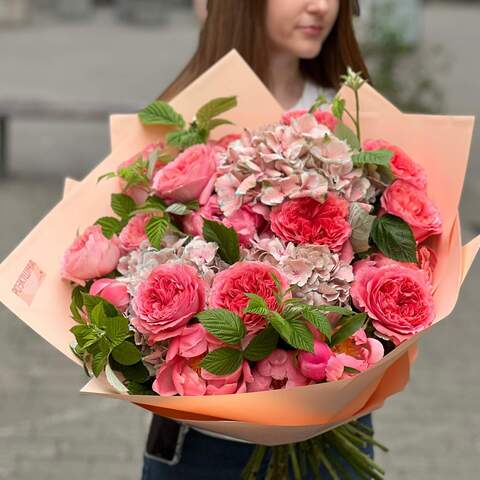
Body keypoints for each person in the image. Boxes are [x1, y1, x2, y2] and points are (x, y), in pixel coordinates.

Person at [142, 1, 373, 479]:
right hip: (206, 440)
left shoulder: (349, 114)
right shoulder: (188, 120)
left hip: (331, 428)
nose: (321, 6)